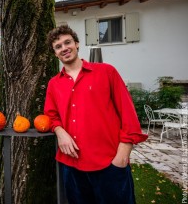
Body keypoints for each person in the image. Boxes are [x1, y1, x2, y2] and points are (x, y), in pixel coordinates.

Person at [44, 25, 148, 204]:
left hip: (109, 163)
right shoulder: (54, 84)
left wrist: (122, 155)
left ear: (77, 44)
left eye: (67, 42)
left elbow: (128, 114)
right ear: (55, 54)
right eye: (58, 46)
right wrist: (60, 132)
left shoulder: (106, 72)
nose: (64, 48)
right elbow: (51, 116)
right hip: (72, 165)